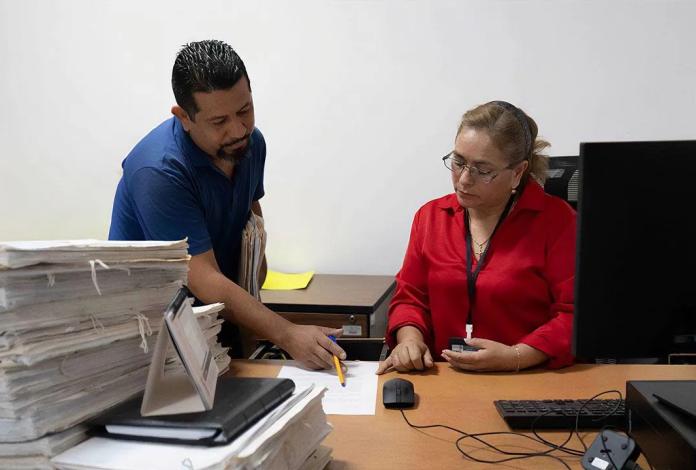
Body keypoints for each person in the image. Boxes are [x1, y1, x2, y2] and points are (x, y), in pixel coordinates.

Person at [109, 40, 345, 369]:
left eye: (245, 110)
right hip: (152, 337)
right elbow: (202, 277)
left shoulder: (250, 143)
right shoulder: (158, 170)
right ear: (184, 117)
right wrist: (287, 333)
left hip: (217, 320)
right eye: (219, 121)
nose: (238, 130)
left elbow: (251, 225)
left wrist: (253, 309)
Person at [377, 101, 575, 374]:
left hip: (527, 377)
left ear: (517, 172)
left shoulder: (557, 221)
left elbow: (573, 316)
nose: (464, 180)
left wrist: (514, 357)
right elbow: (410, 298)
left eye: (482, 170)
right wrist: (410, 340)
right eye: (458, 162)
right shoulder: (431, 217)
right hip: (444, 376)